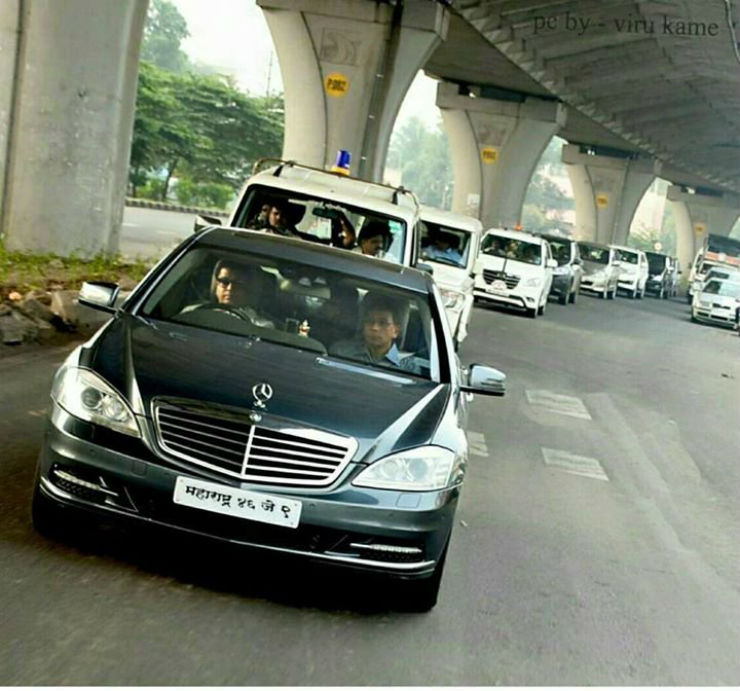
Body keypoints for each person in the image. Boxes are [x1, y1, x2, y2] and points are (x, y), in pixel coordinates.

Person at [331, 293, 422, 374]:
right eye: (370, 322)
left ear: (396, 331)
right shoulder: (341, 352)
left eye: (383, 323)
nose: (374, 328)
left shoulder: (408, 366)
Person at [180, 259, 275, 328]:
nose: (230, 288)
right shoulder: (192, 312)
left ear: (250, 289)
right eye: (224, 282)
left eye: (238, 284)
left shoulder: (261, 326)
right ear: (216, 286)